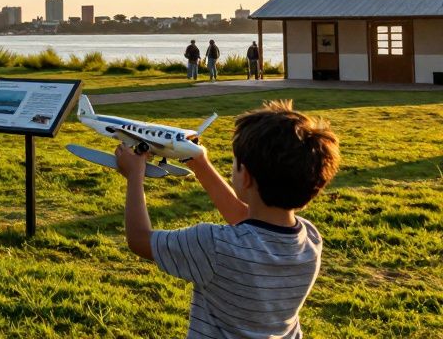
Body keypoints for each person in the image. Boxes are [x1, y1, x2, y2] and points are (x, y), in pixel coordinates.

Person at [115, 100, 340, 337]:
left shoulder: (214, 246)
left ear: (246, 178)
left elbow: (140, 240)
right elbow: (244, 218)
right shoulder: (310, 239)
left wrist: (134, 174)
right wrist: (199, 163)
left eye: (236, 163)